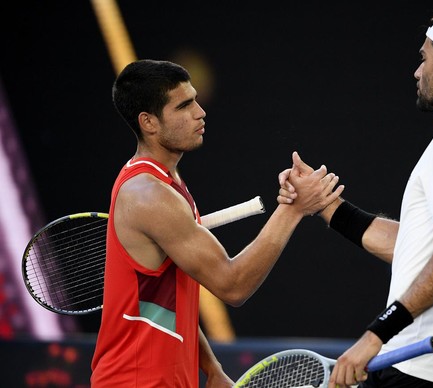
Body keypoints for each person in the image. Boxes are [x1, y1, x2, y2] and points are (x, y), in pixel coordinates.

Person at [278, 9, 433, 387]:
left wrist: (375, 336)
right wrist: (325, 205)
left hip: (424, 371)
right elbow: (420, 248)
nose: (416, 71)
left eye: (424, 57)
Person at [90, 59, 344, 387]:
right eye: (184, 105)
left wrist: (210, 368)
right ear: (149, 122)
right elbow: (232, 285)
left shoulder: (167, 182)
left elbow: (164, 303)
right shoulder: (149, 196)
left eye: (195, 99)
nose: (200, 112)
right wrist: (292, 211)